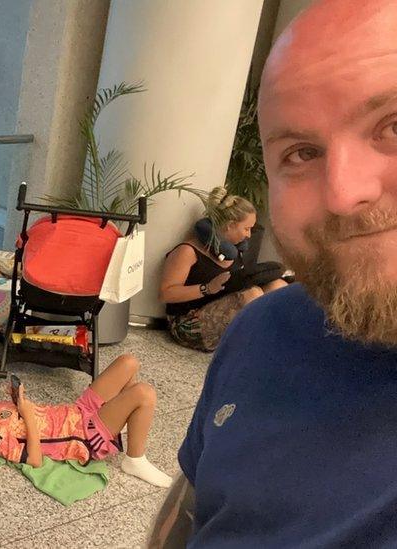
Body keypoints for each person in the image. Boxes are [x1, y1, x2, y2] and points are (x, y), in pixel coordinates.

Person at [149, 1, 397, 546]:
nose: (343, 192)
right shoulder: (264, 332)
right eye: (301, 152)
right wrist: (217, 288)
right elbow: (194, 505)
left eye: (393, 124)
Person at [0, 354, 171, 487]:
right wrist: (27, 415)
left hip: (75, 412)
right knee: (144, 393)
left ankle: (129, 417)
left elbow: (17, 417)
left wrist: (17, 402)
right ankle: (135, 459)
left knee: (128, 362)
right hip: (82, 435)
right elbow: (35, 460)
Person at [159, 187, 287, 351]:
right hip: (186, 324)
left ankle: (279, 346)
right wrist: (207, 288)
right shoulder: (188, 251)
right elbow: (165, 293)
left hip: (217, 312)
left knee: (278, 286)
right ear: (230, 225)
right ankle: (260, 351)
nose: (249, 235)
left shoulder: (234, 252)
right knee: (252, 294)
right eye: (246, 229)